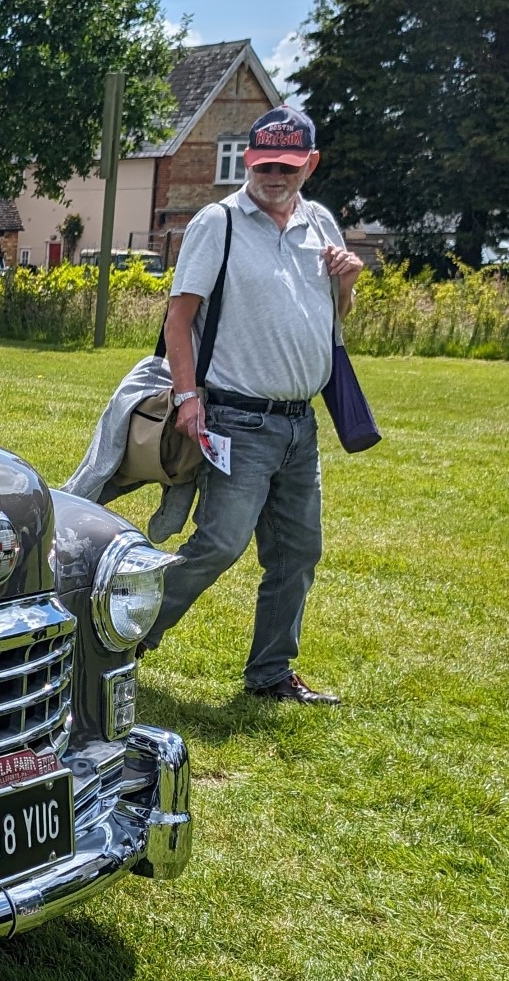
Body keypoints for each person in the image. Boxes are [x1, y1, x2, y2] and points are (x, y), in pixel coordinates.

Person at [137, 105, 363, 704]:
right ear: (249, 161)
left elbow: (336, 323)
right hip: (236, 417)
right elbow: (178, 318)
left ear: (310, 165)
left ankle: (270, 675)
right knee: (219, 545)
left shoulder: (322, 225)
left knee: (298, 551)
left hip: (299, 424)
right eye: (262, 163)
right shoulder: (220, 222)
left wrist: (347, 283)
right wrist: (188, 398)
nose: (272, 175)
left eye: (287, 166)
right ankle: (120, 640)